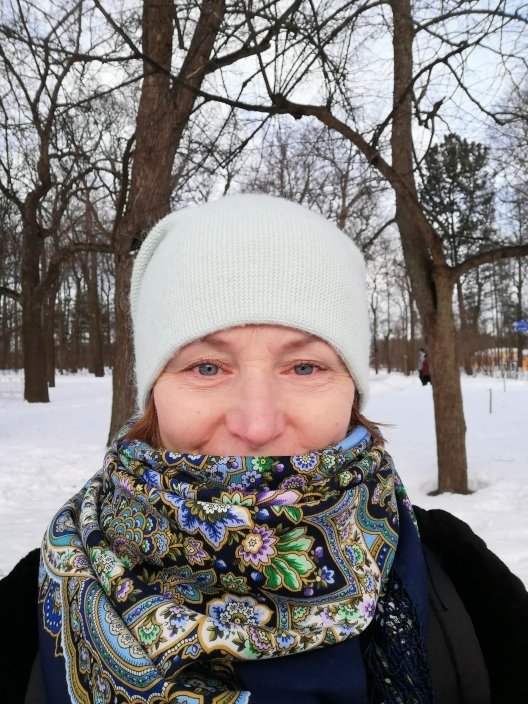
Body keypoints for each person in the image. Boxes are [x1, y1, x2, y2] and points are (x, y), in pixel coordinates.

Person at [1, 195, 527, 704]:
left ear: (352, 390)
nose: (256, 425)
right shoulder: (29, 605)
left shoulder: (465, 588)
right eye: (207, 367)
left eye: (305, 367)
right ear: (153, 392)